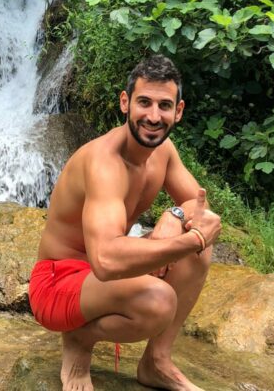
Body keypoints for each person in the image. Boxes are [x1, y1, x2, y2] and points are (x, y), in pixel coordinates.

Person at [28, 54, 222, 391]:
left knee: (198, 250)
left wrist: (172, 217)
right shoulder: (104, 163)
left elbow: (198, 207)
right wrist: (189, 240)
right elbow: (104, 260)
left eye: (164, 106)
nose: (153, 115)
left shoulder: (163, 151)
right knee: (160, 298)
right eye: (144, 102)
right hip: (60, 281)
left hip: (107, 278)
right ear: (125, 103)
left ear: (178, 111)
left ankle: (156, 363)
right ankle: (78, 338)